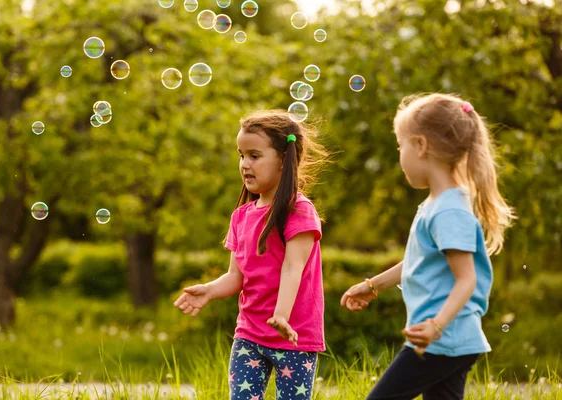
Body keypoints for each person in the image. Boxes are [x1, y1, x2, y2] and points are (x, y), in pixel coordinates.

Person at [340, 93, 515, 400]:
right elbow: (418, 259)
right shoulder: (438, 204)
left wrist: (436, 325)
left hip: (442, 339)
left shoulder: (448, 210)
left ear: (420, 146)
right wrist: (373, 285)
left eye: (400, 145)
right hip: (448, 338)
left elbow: (467, 278)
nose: (399, 155)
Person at [174, 110, 331, 400]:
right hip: (250, 334)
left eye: (254, 156)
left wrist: (281, 317)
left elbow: (292, 268)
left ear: (284, 160)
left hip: (293, 336)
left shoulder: (298, 211)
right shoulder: (241, 216)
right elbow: (236, 276)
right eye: (241, 155)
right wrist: (209, 291)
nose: (245, 164)